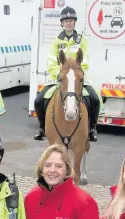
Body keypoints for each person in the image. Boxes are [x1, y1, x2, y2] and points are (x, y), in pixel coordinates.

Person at [33, 6, 103, 142]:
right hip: (59, 78)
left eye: (71, 20)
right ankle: (42, 128)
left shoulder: (82, 40)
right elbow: (52, 62)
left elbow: (85, 61)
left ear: (74, 22)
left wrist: (77, 74)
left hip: (77, 78)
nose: (68, 23)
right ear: (62, 23)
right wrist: (58, 75)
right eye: (66, 21)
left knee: (94, 98)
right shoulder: (56, 41)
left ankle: (92, 128)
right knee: (39, 100)